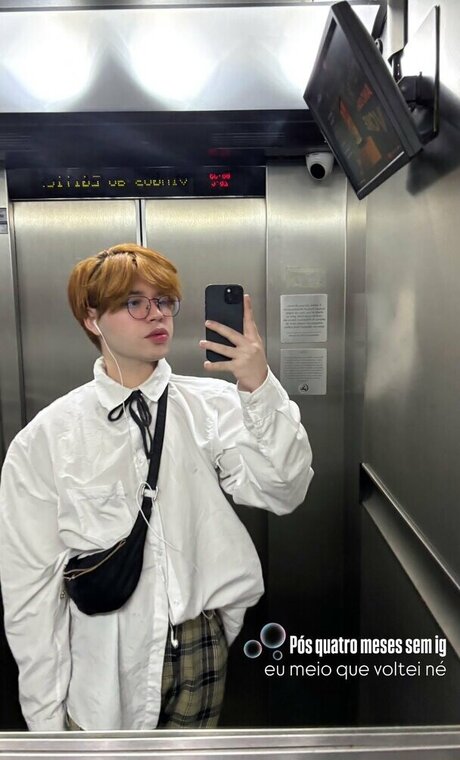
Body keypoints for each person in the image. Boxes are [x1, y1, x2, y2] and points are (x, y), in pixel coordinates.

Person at [0, 243, 313, 731]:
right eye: (134, 302)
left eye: (165, 300)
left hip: (199, 646)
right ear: (92, 318)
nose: (156, 313)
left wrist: (258, 386)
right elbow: (30, 587)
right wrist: (44, 720)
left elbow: (284, 490)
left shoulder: (212, 405)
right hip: (104, 662)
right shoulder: (47, 437)